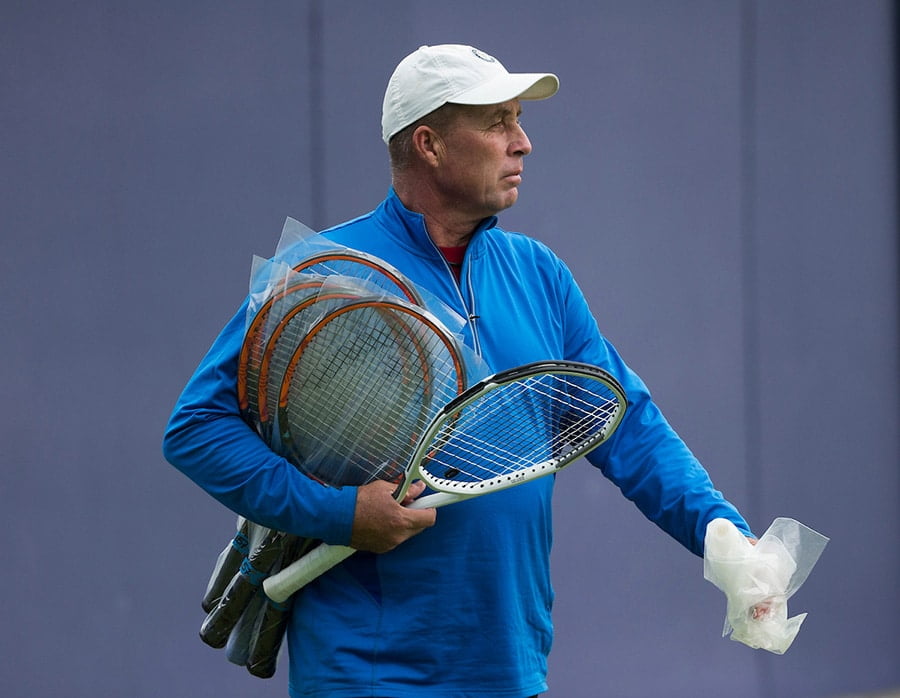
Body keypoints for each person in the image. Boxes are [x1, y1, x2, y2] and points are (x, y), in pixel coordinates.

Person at [163, 44, 754, 697]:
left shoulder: (540, 274)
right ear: (430, 145)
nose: (522, 143)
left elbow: (622, 420)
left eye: (519, 120)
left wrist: (720, 534)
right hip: (367, 676)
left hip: (509, 667)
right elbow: (195, 429)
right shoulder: (321, 276)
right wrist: (338, 512)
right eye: (498, 122)